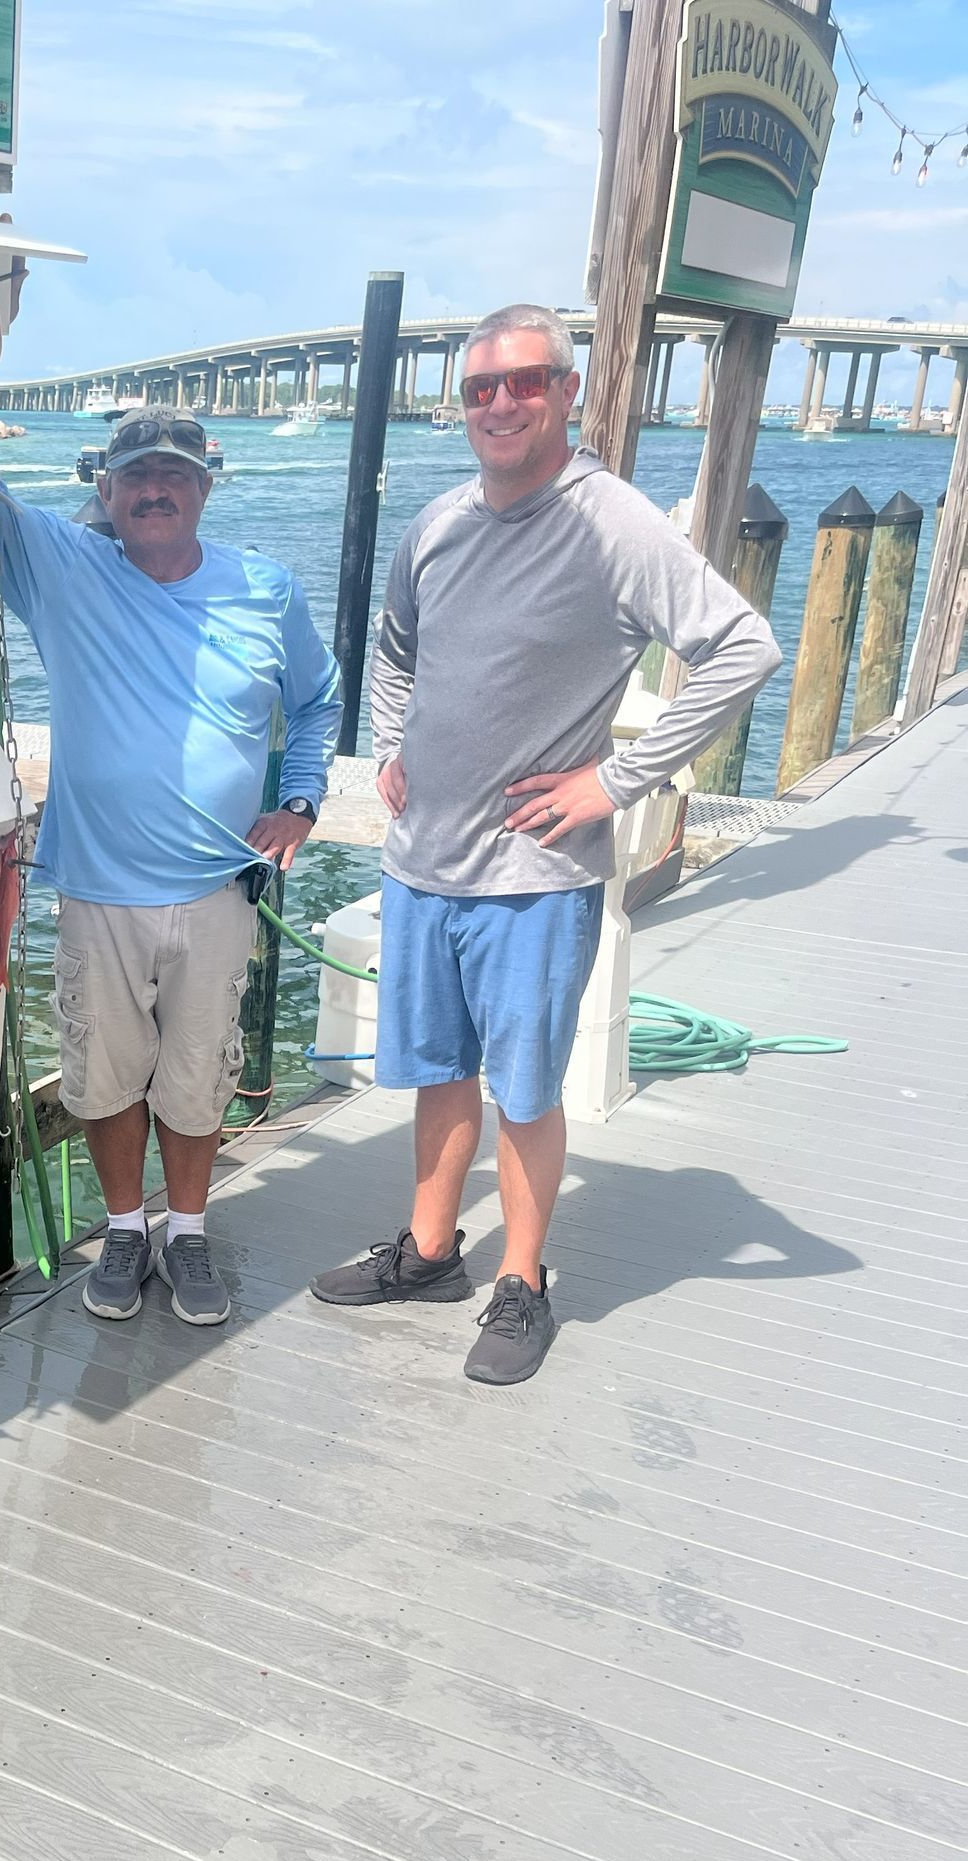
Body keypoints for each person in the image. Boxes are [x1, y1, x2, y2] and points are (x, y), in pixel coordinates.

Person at [312, 303, 781, 1383]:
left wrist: (614, 780)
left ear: (566, 392)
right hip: (422, 865)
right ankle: (431, 1251)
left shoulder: (611, 522)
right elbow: (392, 651)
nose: (502, 403)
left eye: (525, 382)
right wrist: (391, 741)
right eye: (481, 387)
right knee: (438, 1073)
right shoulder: (435, 525)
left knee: (525, 1089)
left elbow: (741, 647)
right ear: (461, 405)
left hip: (534, 876)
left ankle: (523, 1281)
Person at [0, 407, 340, 1326]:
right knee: (104, 1077)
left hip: (218, 887)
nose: (156, 489)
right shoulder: (65, 569)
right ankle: (122, 1226)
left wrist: (299, 802)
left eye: (176, 474)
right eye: (136, 475)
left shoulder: (267, 589)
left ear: (205, 488)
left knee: (197, 1075)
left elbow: (317, 701)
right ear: (102, 491)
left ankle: (186, 1230)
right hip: (97, 888)